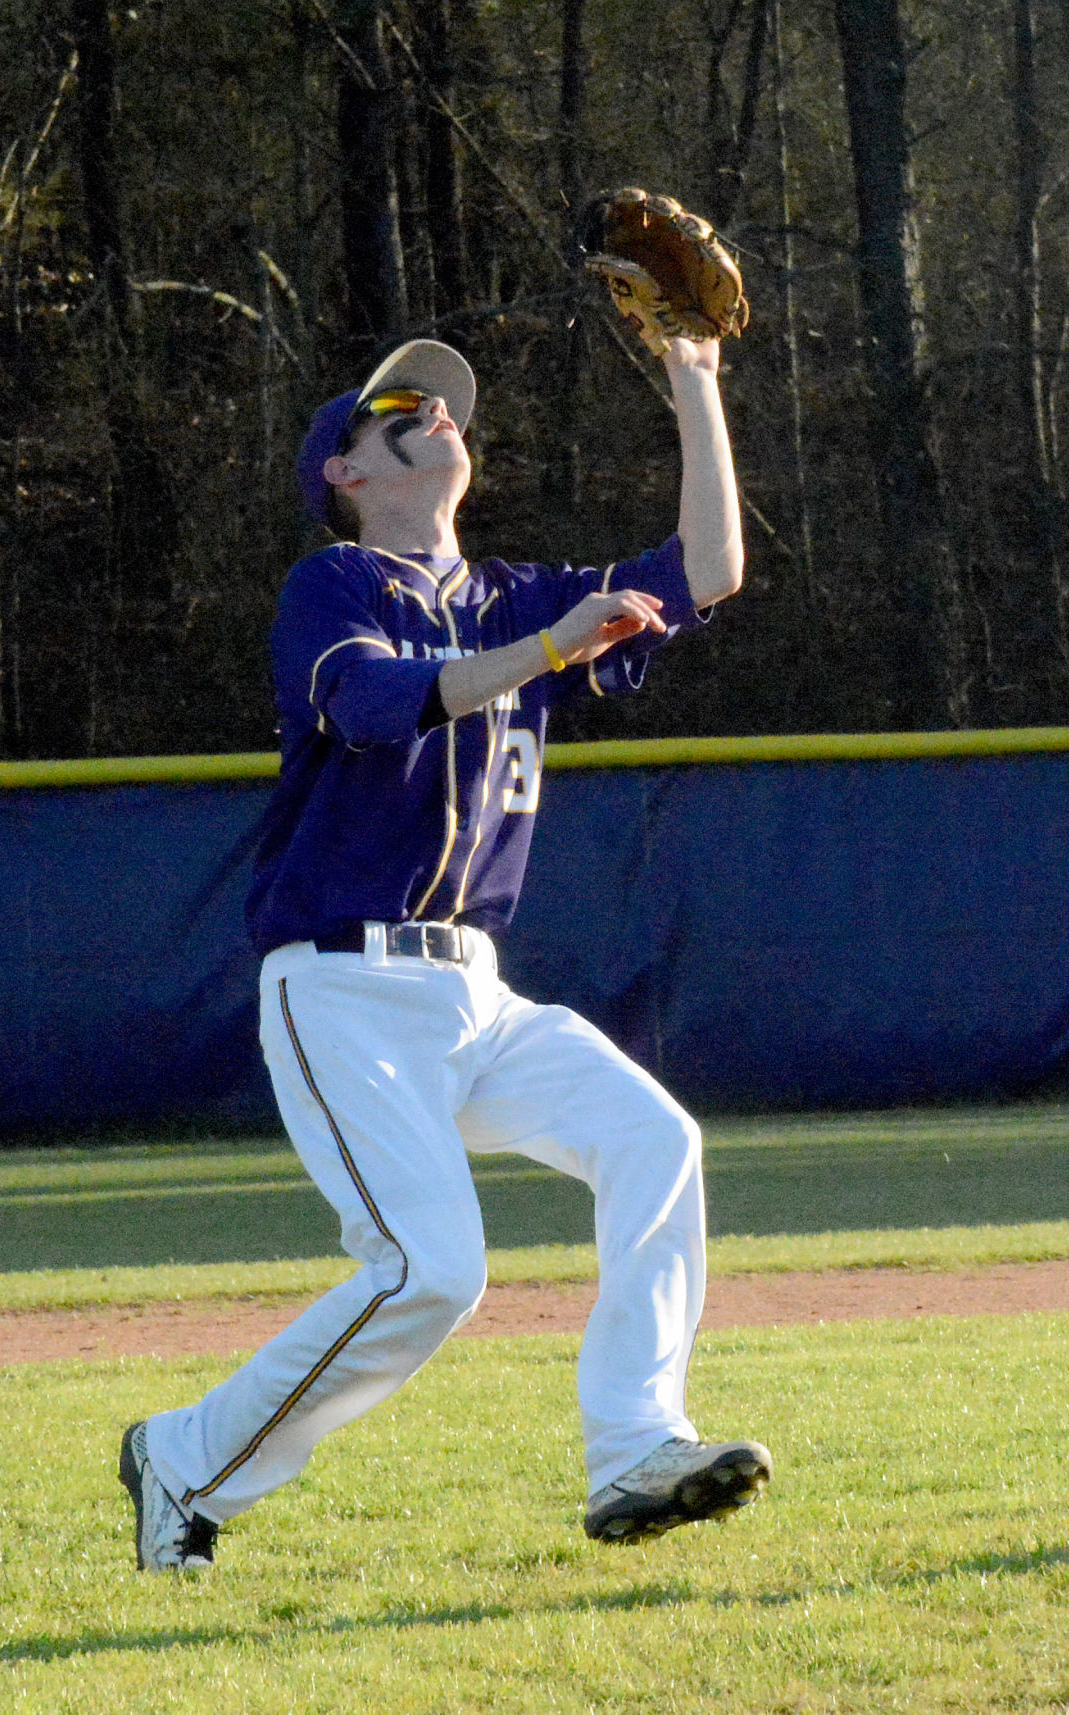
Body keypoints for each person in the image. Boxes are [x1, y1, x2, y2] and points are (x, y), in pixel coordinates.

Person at [118, 333, 772, 1572]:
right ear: (347, 470)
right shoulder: (333, 585)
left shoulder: (510, 596)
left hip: (474, 988)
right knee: (429, 1269)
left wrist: (694, 377)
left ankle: (635, 1440)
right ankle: (183, 1457)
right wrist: (550, 651)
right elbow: (376, 705)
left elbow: (710, 568)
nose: (435, 415)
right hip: (340, 986)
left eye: (444, 405)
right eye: (397, 410)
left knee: (654, 1140)